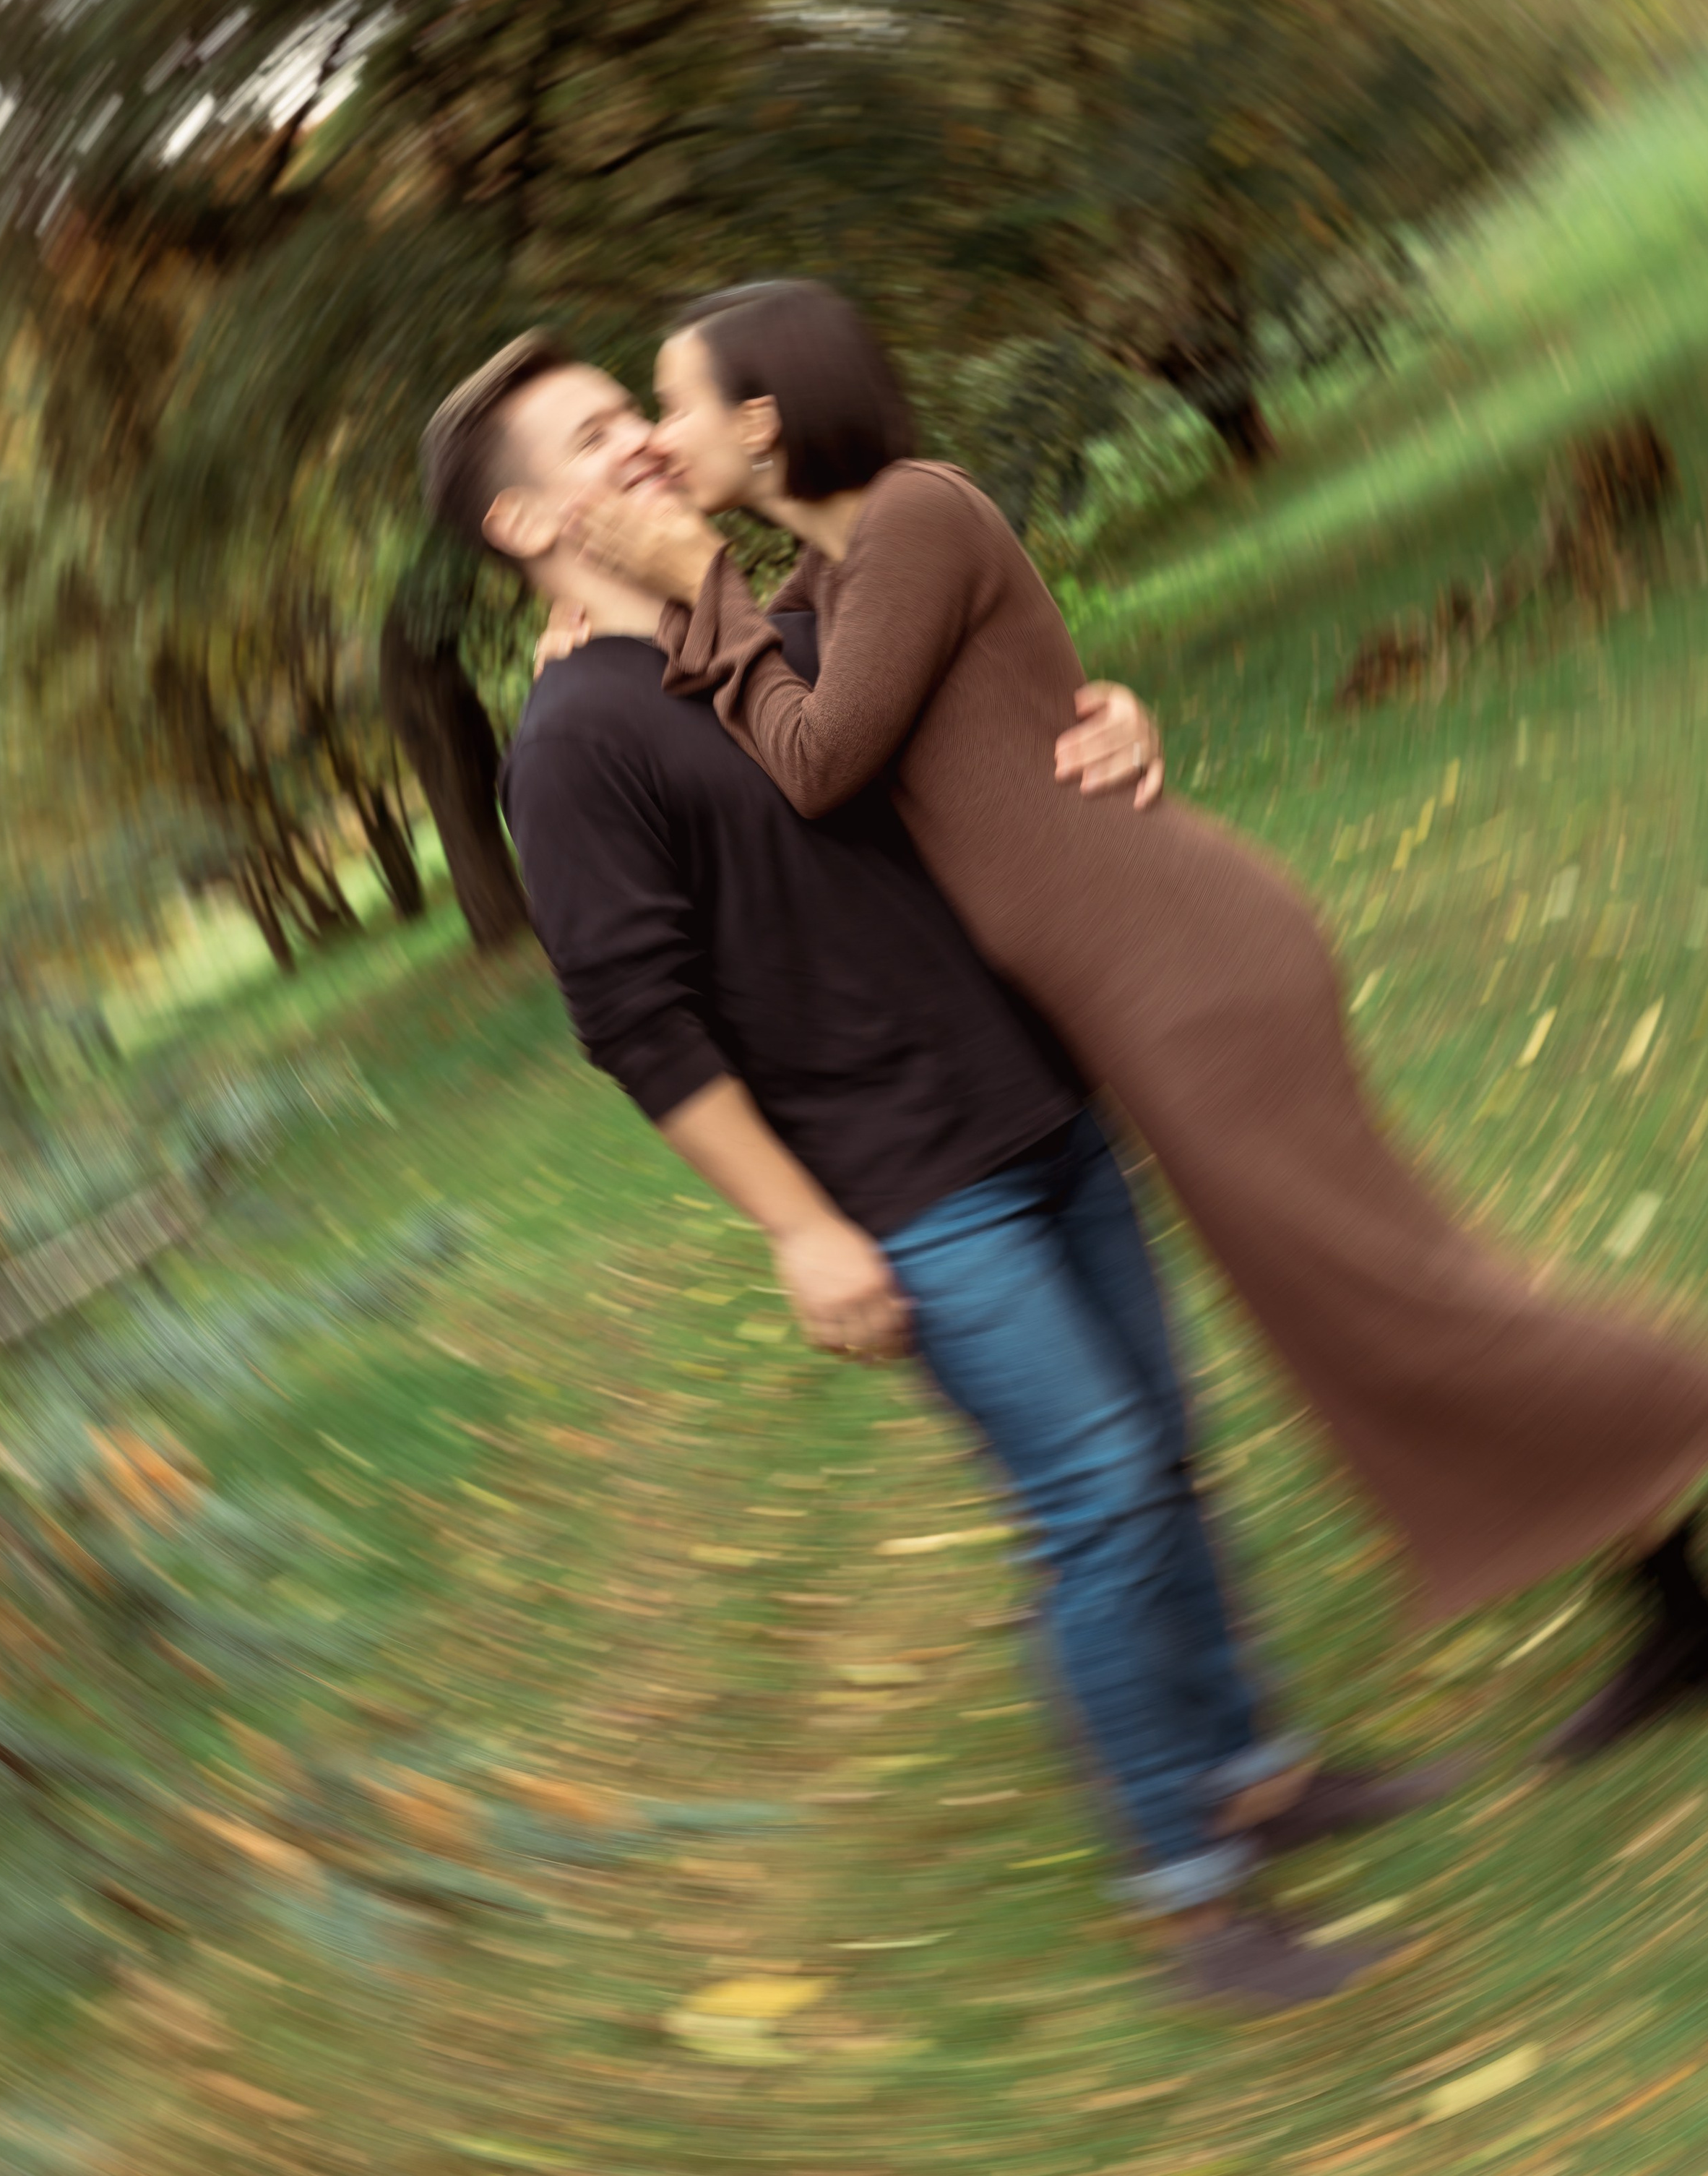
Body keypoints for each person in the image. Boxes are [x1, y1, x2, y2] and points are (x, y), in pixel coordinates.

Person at [419, 335, 1451, 2013]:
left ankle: (1259, 1770)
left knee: (1163, 1450)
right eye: (599, 438)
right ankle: (1191, 1897)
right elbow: (635, 1022)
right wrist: (799, 1225)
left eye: (638, 416)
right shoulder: (570, 748)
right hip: (902, 1180)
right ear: (525, 520)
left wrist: (1115, 713)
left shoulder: (772, 627)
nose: (643, 448)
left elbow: (952, 731)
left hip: (1036, 1094)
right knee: (1096, 1489)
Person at [559, 278, 1708, 1764]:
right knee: (1363, 1314)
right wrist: (599, 637)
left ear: (762, 419)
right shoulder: (830, 583)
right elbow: (749, 709)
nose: (658, 437)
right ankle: (1674, 1605)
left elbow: (817, 754)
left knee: (1394, 1293)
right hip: (1136, 997)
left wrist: (692, 578)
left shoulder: (915, 514)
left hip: (1190, 974)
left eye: (672, 403)